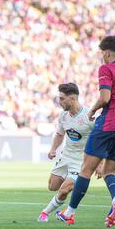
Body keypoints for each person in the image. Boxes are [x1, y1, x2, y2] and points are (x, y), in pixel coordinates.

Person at [56, 36, 115, 227]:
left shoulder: (106, 69)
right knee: (109, 171)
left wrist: (91, 110)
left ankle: (70, 212)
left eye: (102, 54)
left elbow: (105, 97)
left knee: (86, 169)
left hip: (108, 123)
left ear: (107, 53)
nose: (102, 57)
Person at [38, 83, 95, 222]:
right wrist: (53, 149)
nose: (59, 102)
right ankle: (64, 200)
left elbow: (100, 140)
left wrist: (99, 162)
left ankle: (45, 213)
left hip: (81, 162)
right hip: (65, 156)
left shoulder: (89, 117)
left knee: (64, 190)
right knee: (53, 186)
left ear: (73, 99)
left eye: (62, 99)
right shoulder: (63, 116)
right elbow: (59, 134)